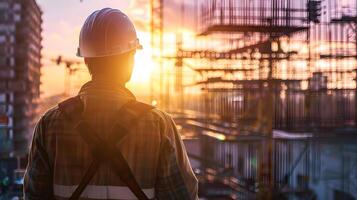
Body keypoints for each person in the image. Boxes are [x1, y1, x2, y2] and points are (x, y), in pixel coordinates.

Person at [24, 8, 198, 200]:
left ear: (86, 59)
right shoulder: (159, 127)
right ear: (130, 58)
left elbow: (34, 195)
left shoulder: (49, 126)